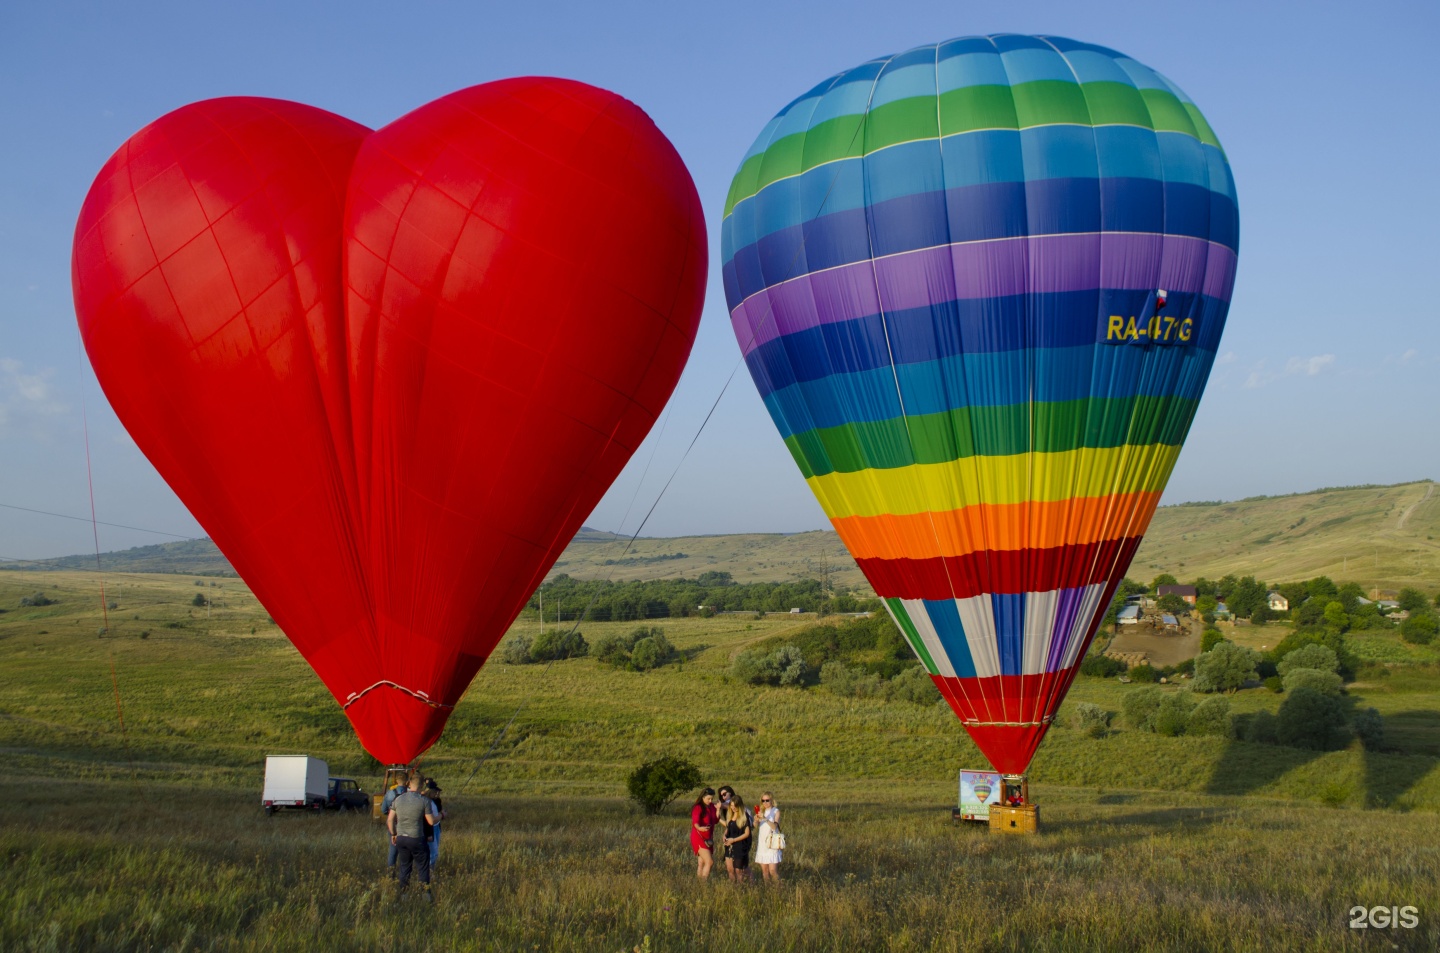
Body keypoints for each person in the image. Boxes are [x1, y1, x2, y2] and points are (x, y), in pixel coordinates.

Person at [387, 775, 439, 901]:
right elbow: (431, 821)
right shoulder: (424, 801)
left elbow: (390, 820)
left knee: (404, 866)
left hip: (401, 838)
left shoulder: (398, 799)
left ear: (409, 783)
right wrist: (441, 815)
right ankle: (425, 894)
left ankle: (404, 895)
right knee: (422, 866)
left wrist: (394, 834)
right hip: (417, 838)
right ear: (422, 786)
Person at [381, 772, 411, 876]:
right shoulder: (410, 793)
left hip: (393, 823)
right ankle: (405, 873)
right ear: (407, 781)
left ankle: (390, 873)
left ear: (396, 781)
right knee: (406, 850)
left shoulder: (389, 793)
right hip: (406, 824)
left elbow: (383, 809)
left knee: (393, 850)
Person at [722, 795, 752, 882]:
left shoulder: (744, 816)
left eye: (735, 806)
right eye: (731, 806)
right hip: (729, 845)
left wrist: (734, 840)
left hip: (740, 845)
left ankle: (740, 887)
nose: (733, 808)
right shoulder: (730, 815)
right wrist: (724, 835)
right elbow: (728, 828)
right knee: (730, 869)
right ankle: (733, 887)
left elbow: (747, 834)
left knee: (738, 870)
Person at [753, 792, 782, 882]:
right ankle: (768, 890)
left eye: (767, 800)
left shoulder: (776, 811)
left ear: (771, 800)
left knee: (772, 871)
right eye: (763, 800)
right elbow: (754, 826)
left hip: (772, 843)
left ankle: (778, 889)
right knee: (765, 871)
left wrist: (765, 818)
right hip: (762, 844)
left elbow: (774, 826)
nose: (765, 802)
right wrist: (756, 820)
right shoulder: (761, 811)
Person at [690, 788, 718, 879]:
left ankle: (699, 883)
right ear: (703, 797)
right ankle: (704, 883)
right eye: (708, 799)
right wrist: (700, 828)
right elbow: (696, 821)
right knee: (709, 862)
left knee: (701, 863)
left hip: (708, 837)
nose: (710, 801)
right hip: (699, 836)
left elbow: (716, 820)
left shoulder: (712, 807)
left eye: (712, 799)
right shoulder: (698, 807)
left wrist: (718, 809)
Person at [423, 778, 446, 871]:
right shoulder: (425, 802)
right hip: (430, 828)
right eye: (435, 791)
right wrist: (442, 815)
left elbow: (439, 808)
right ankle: (429, 870)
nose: (436, 793)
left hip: (436, 828)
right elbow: (429, 820)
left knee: (435, 850)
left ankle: (430, 869)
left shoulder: (435, 801)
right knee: (433, 852)